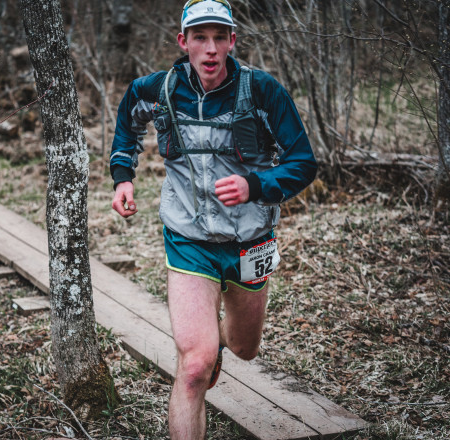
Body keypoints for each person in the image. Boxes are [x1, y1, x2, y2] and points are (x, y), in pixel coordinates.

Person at [109, 1, 317, 438]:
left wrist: (255, 185)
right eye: (200, 38)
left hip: (250, 241)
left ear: (232, 42)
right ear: (183, 42)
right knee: (194, 368)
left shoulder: (262, 91)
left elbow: (303, 162)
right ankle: (204, 351)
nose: (210, 49)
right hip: (189, 238)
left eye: (219, 38)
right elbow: (129, 122)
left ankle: (218, 341)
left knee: (244, 347)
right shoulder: (158, 89)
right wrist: (122, 177)